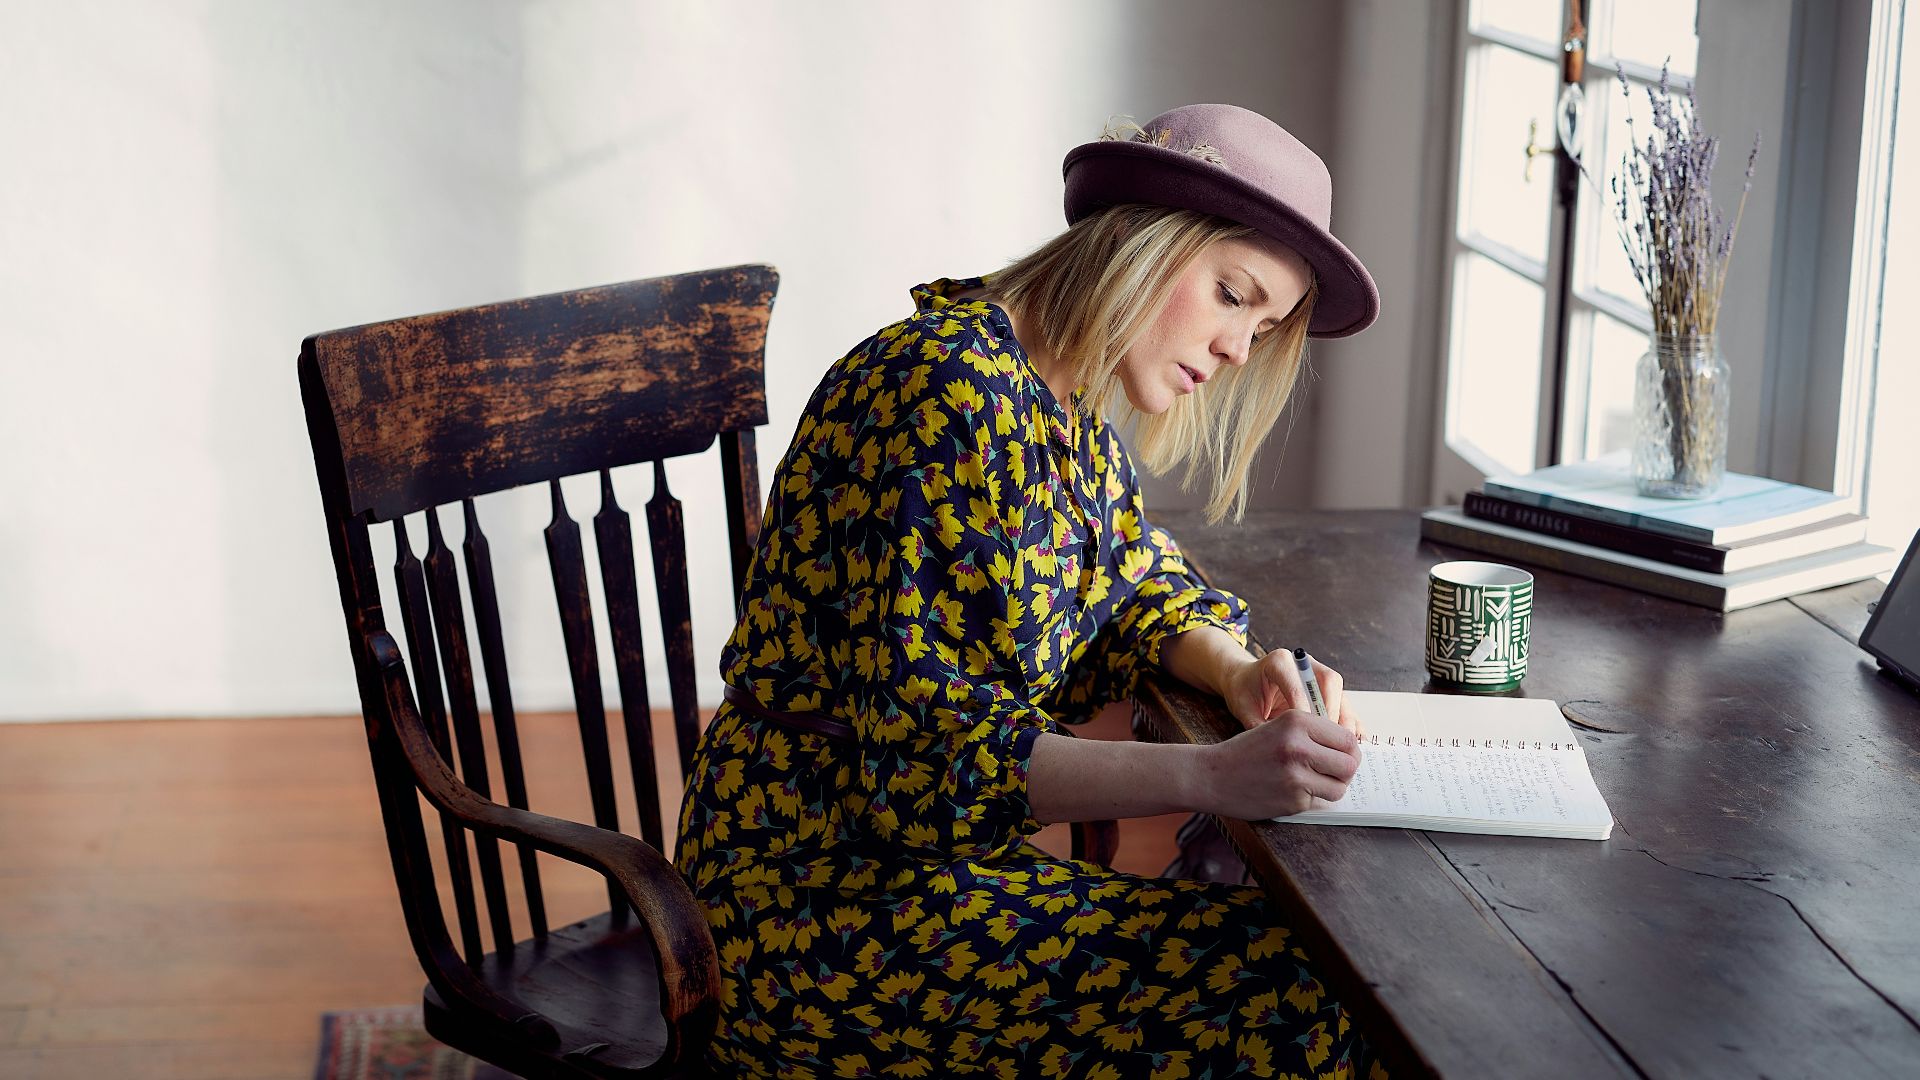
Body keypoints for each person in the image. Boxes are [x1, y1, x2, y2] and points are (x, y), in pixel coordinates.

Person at [674, 103, 1385, 1079]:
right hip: (813, 909)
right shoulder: (945, 390)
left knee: (1311, 976)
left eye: (1259, 329)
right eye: (1231, 294)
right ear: (1139, 235)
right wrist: (1212, 777)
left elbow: (1132, 576)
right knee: (1298, 998)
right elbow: (931, 766)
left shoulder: (1060, 398)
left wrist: (1234, 671)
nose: (1235, 350)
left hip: (931, 880)